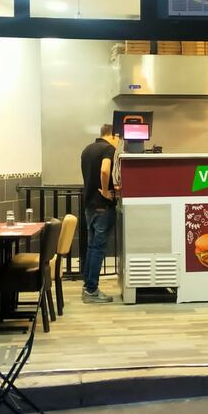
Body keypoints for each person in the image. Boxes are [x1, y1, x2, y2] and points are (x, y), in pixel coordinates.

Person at [80, 124, 119, 303]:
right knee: (98, 248)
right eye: (119, 138)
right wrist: (104, 191)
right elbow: (104, 170)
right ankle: (92, 290)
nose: (119, 142)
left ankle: (87, 285)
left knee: (91, 247)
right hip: (102, 205)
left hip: (89, 205)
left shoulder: (87, 149)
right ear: (113, 135)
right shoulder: (108, 149)